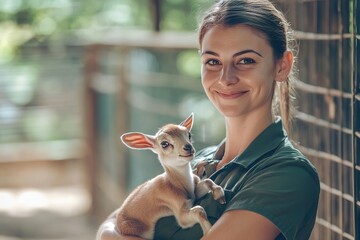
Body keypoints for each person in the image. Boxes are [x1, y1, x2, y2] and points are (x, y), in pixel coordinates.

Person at [99, 0, 320, 239]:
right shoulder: (199, 161)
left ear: (282, 66)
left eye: (246, 60)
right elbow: (119, 219)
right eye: (213, 61)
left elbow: (111, 230)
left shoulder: (287, 174)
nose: (226, 78)